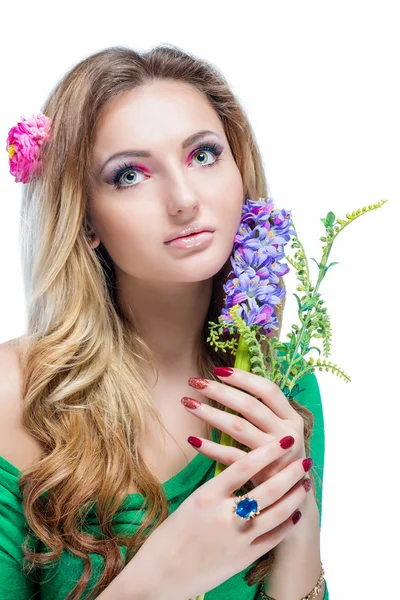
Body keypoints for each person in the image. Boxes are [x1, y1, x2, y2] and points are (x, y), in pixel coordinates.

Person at [0, 44, 328, 599]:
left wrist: (298, 531)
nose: (183, 199)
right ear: (84, 221)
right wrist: (168, 572)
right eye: (130, 174)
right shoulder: (15, 396)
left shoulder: (282, 384)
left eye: (203, 155)